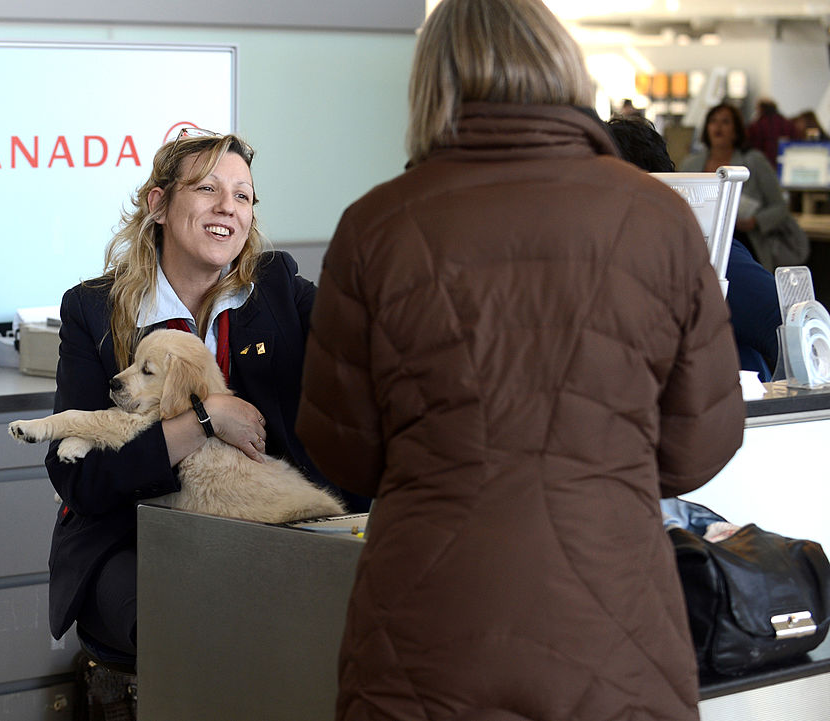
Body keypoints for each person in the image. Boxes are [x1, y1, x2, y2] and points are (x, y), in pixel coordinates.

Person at [296, 1, 746, 719]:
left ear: (430, 82)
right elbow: (703, 440)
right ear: (562, 65)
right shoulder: (658, 217)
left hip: (426, 629)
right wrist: (593, 466)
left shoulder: (376, 225)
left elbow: (341, 449)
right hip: (615, 622)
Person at [45, 129, 367, 657]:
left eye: (242, 195)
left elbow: (358, 342)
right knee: (195, 629)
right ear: (159, 204)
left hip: (267, 526)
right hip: (137, 537)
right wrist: (204, 419)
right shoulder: (93, 310)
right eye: (207, 189)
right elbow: (80, 477)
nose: (228, 208)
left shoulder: (278, 287)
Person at [608, 114, 781, 379]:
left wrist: (783, 411)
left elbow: (795, 329)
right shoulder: (604, 256)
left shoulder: (708, 253)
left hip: (738, 411)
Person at [682, 102, 809, 271]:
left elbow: (779, 206)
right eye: (713, 121)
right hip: (701, 243)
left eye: (725, 122)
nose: (718, 127)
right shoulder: (690, 164)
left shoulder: (754, 161)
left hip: (746, 241)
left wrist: (755, 221)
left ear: (736, 131)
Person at [746, 97, 798, 167]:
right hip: (785, 163)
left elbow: (752, 146)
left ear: (761, 109)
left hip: (762, 165)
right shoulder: (787, 124)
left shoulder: (757, 125)